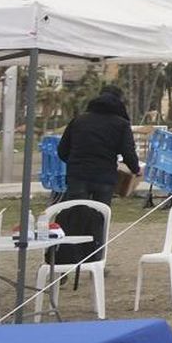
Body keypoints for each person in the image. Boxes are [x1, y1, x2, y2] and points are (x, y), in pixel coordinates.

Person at [54, 84, 140, 265]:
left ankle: (68, 258)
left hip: (78, 176)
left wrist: (76, 162)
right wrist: (136, 169)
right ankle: (94, 260)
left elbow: (62, 150)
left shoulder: (79, 120)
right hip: (104, 178)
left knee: (75, 216)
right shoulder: (121, 124)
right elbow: (128, 153)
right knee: (99, 219)